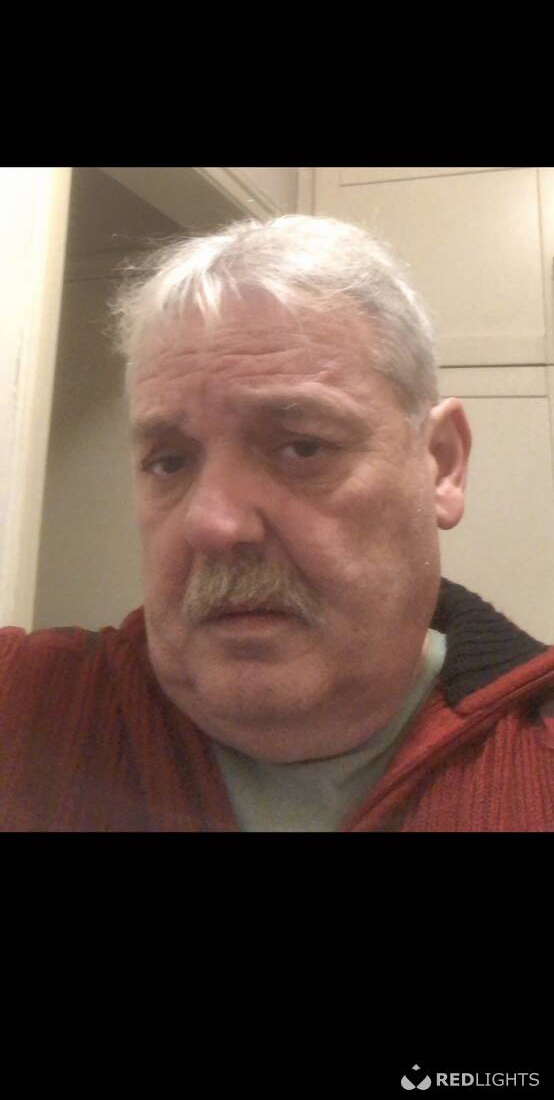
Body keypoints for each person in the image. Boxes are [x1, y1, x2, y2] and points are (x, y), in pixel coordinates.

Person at [1, 214, 554, 832]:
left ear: (442, 464)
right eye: (169, 462)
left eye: (302, 447)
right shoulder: (23, 707)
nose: (212, 524)